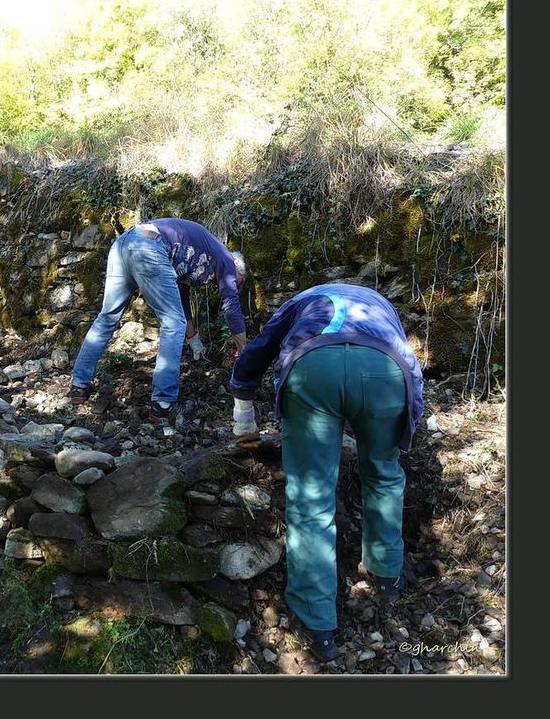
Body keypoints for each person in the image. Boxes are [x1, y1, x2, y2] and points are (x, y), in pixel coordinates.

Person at [229, 283, 424, 662]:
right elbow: (411, 367)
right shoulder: (381, 306)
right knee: (383, 474)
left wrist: (244, 417)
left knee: (311, 497)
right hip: (387, 370)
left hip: (313, 367)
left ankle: (316, 622)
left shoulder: (301, 301)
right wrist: (409, 425)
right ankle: (388, 579)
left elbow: (254, 355)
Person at [69, 217, 248, 419]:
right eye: (236, 281)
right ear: (235, 265)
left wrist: (193, 338)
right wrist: (244, 351)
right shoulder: (225, 258)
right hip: (149, 246)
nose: (229, 284)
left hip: (124, 244)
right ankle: (164, 402)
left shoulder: (195, 256)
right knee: (172, 324)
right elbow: (231, 307)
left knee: (107, 317)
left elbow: (181, 297)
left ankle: (79, 386)